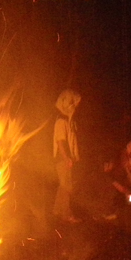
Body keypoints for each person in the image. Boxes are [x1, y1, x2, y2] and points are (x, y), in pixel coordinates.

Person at [52, 89, 81, 223]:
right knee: (67, 186)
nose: (73, 107)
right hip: (62, 159)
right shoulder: (61, 121)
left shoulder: (69, 121)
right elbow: (60, 141)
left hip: (67, 159)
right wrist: (66, 158)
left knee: (63, 186)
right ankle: (66, 214)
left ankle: (57, 211)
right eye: (71, 104)